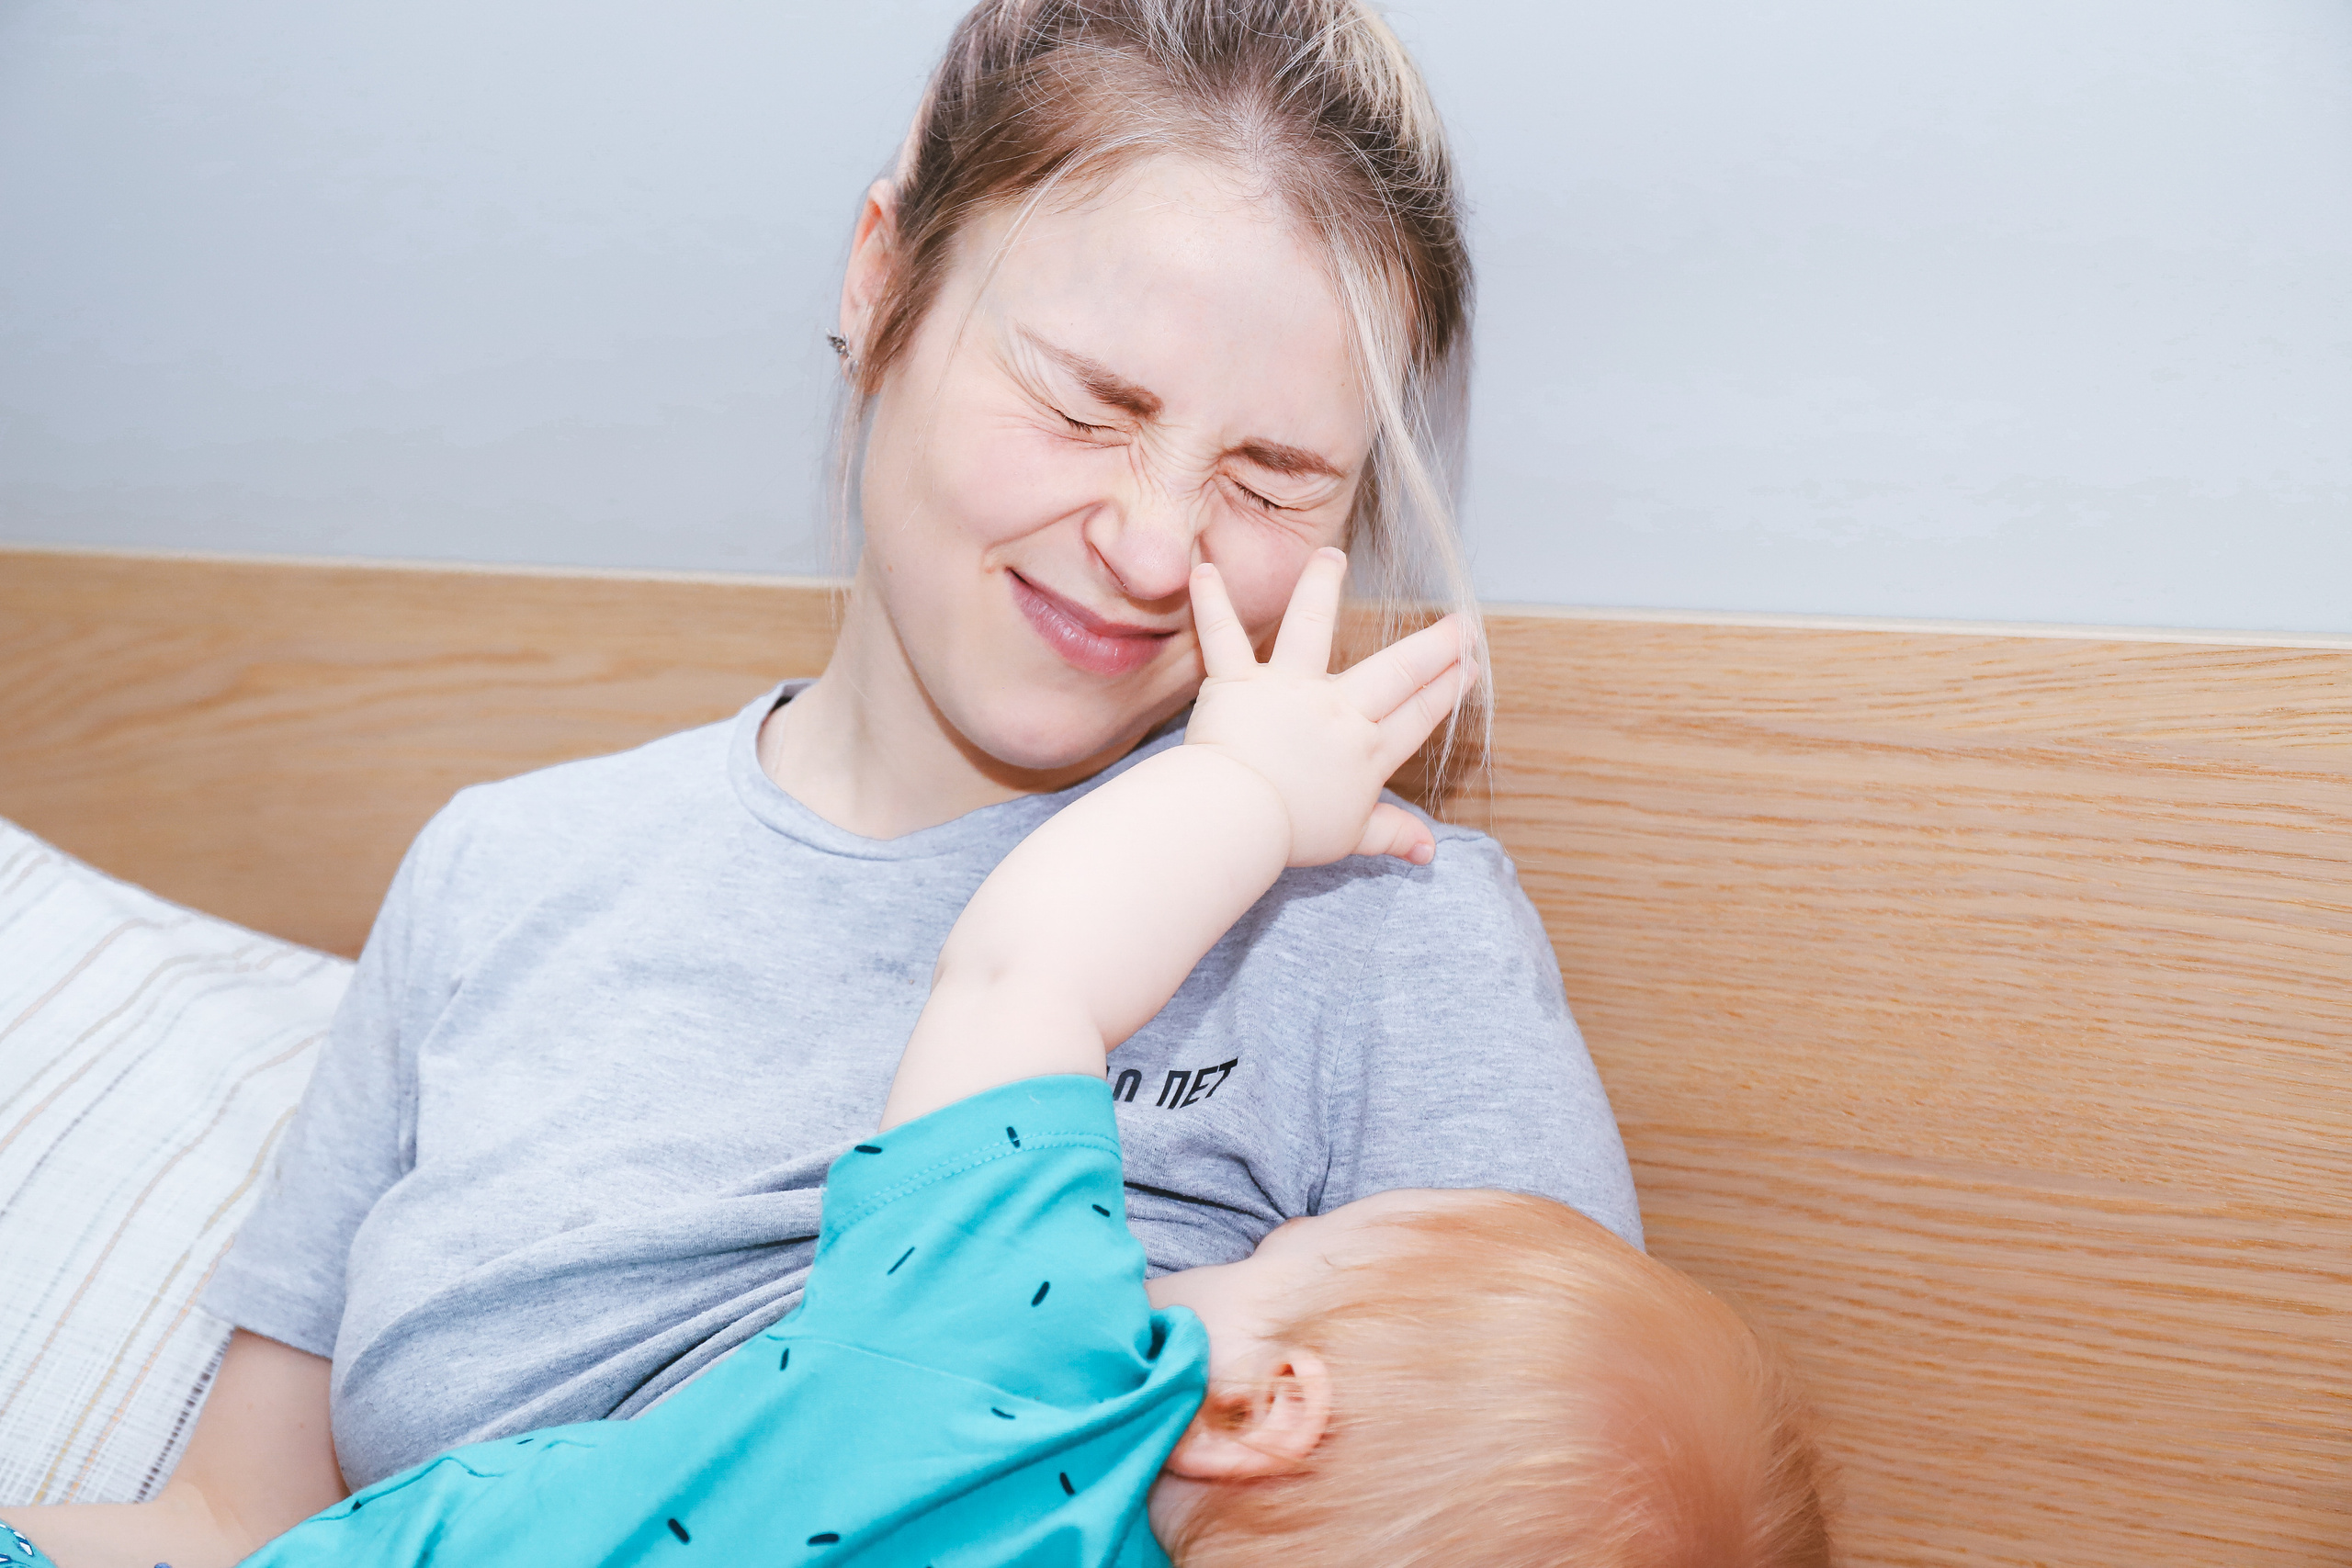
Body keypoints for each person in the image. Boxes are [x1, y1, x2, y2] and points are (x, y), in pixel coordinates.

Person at [4, 3, 1641, 1563]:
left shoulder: (1376, 922)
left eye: (1272, 479)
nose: (1153, 546)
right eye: (1087, 404)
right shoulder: (498, 873)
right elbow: (235, 1525)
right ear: (882, 277)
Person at [9, 556, 1824, 1568]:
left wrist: (1245, 789)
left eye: (1288, 1247)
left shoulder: (1033, 1362)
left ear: (1262, 1402)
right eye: (1087, 398)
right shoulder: (507, 861)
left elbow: (1030, 970)